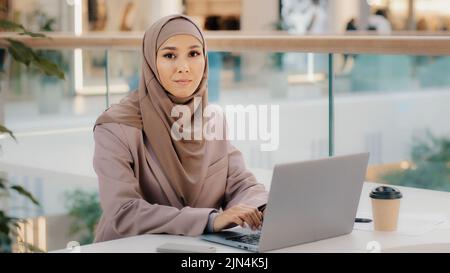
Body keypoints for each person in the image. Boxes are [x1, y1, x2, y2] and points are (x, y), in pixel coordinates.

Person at [92, 14, 268, 242]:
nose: (183, 67)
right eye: (169, 55)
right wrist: (210, 220)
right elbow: (123, 211)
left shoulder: (212, 119)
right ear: (150, 62)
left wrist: (263, 207)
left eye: (194, 53)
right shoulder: (116, 126)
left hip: (196, 250)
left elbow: (239, 183)